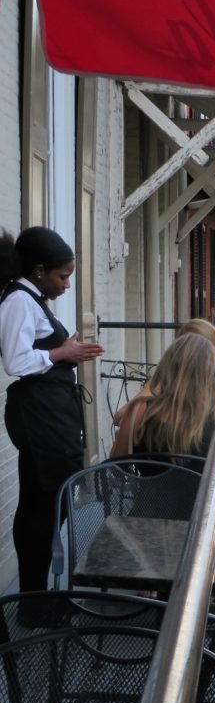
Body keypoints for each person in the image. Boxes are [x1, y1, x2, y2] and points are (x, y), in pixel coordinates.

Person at [0, 227, 104, 593]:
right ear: (39, 270)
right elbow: (15, 360)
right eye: (63, 276)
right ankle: (33, 599)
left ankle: (35, 595)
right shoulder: (19, 301)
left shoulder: (32, 299)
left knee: (46, 502)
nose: (67, 285)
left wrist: (65, 347)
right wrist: (63, 352)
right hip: (39, 417)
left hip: (48, 415)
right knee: (42, 508)